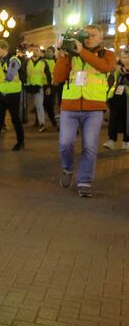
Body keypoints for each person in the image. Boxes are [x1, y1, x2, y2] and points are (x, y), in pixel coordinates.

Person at [53, 24, 116, 197]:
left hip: (94, 108)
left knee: (89, 146)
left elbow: (104, 67)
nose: (89, 38)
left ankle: (84, 181)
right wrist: (63, 56)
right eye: (86, 35)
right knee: (65, 143)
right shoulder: (72, 54)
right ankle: (67, 169)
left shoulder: (107, 55)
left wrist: (81, 52)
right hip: (69, 106)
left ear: (101, 38)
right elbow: (58, 77)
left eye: (94, 35)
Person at [0, 40, 25, 150]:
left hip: (13, 94)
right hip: (1, 93)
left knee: (15, 119)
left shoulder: (13, 60)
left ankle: (20, 141)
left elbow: (9, 77)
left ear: (4, 49)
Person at [104, 50, 129, 149]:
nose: (125, 60)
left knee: (127, 119)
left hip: (127, 98)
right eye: (124, 57)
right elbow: (109, 81)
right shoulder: (115, 68)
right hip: (115, 97)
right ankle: (111, 140)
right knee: (113, 118)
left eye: (127, 58)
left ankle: (126, 141)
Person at [25, 45, 52, 132]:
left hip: (38, 86)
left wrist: (48, 86)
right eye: (34, 50)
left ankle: (42, 124)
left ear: (40, 52)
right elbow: (22, 73)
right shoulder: (27, 62)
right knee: (26, 106)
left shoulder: (43, 62)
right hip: (28, 86)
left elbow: (48, 75)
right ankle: (24, 120)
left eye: (37, 50)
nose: (35, 51)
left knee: (39, 106)